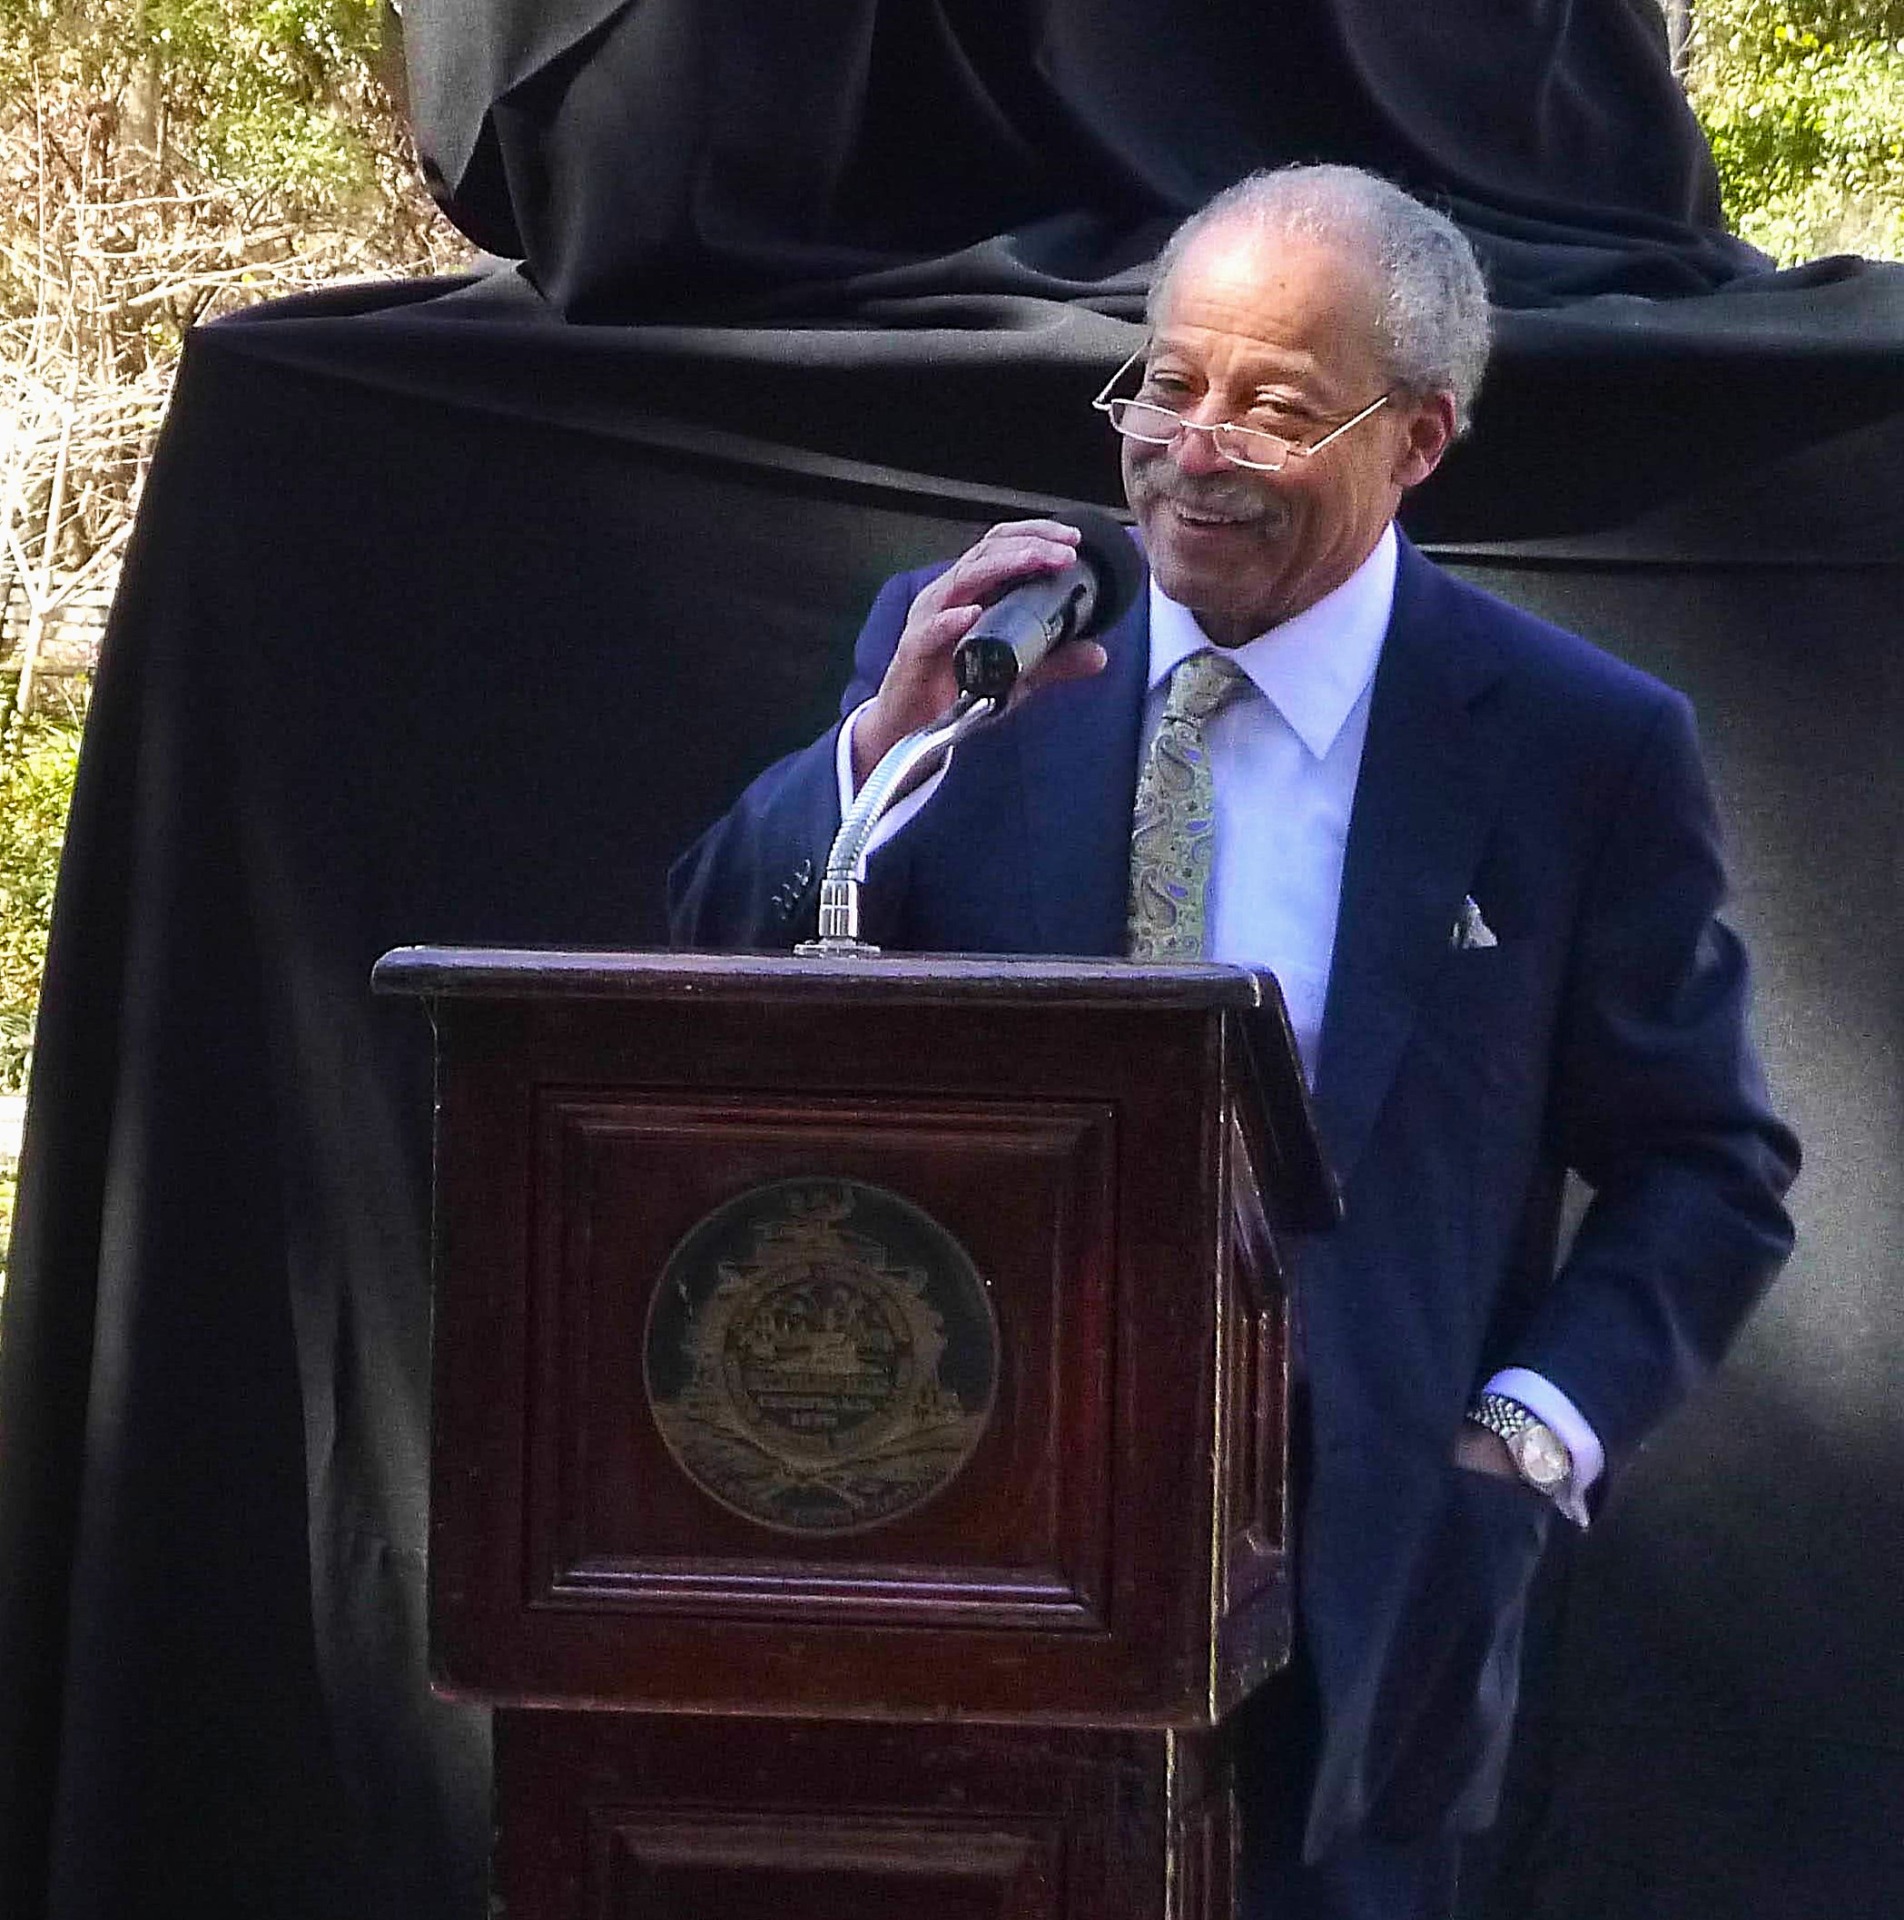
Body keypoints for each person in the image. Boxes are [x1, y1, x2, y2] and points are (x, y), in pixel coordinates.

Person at [668, 164, 1799, 1919]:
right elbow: (707, 976)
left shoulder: (1578, 749)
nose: (1191, 448)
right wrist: (860, 759)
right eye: (1166, 383)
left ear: (1416, 441)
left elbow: (1710, 1166)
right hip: (957, 1521)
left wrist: (1520, 1436)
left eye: (1270, 407)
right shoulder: (970, 658)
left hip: (1363, 1580)